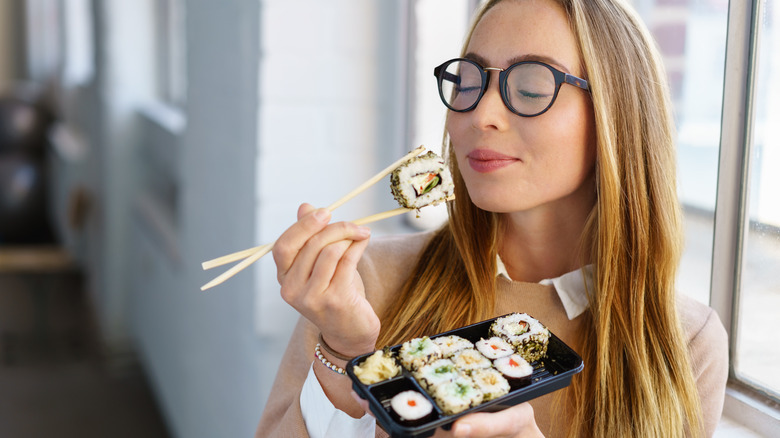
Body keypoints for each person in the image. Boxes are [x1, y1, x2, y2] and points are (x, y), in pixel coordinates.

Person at [256, 0, 729, 436]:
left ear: (616, 113)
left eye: (529, 87)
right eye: (468, 82)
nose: (480, 112)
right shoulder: (359, 288)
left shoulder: (685, 342)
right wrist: (344, 353)